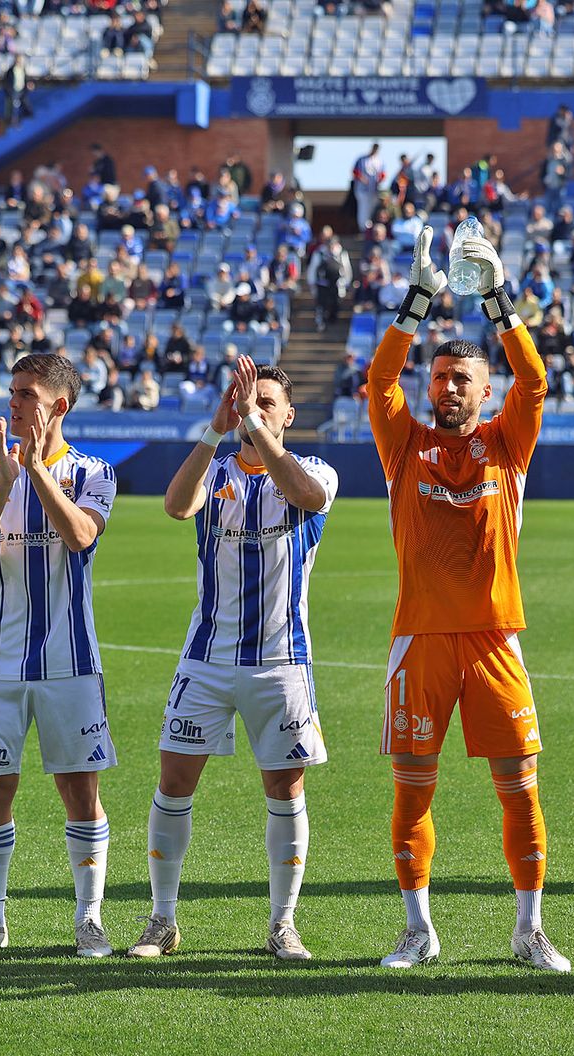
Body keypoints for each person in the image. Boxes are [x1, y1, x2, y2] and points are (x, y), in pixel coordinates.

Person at [366, 227, 564, 971]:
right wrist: (418, 300)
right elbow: (378, 381)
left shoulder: (509, 443)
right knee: (413, 795)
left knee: (520, 792)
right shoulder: (404, 443)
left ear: (485, 392)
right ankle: (418, 929)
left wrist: (497, 299)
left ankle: (528, 930)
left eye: (462, 379)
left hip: (493, 641)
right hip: (419, 640)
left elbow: (536, 381)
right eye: (440, 377)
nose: (447, 386)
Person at [126, 358, 338, 962]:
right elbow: (175, 506)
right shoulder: (215, 468)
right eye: (250, 397)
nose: (257, 407)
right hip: (207, 659)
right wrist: (216, 429)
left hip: (281, 661)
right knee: (173, 781)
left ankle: (282, 924)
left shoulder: (311, 469)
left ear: (288, 415)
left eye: (268, 401)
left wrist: (254, 425)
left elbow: (307, 495)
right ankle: (162, 921)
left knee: (284, 787)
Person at [0, 354, 119, 959]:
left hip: (70, 660)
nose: (12, 403)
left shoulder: (94, 473)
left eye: (25, 395)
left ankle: (89, 919)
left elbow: (79, 536)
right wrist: (5, 483)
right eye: (12, 392)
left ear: (58, 406)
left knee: (78, 788)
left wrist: (36, 473)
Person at [352, 142, 387, 233]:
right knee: (363, 210)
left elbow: (383, 174)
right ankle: (363, 229)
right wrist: (362, 178)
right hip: (362, 190)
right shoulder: (362, 159)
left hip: (374, 190)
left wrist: (379, 180)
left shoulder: (380, 161)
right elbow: (355, 172)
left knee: (372, 210)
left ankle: (371, 230)